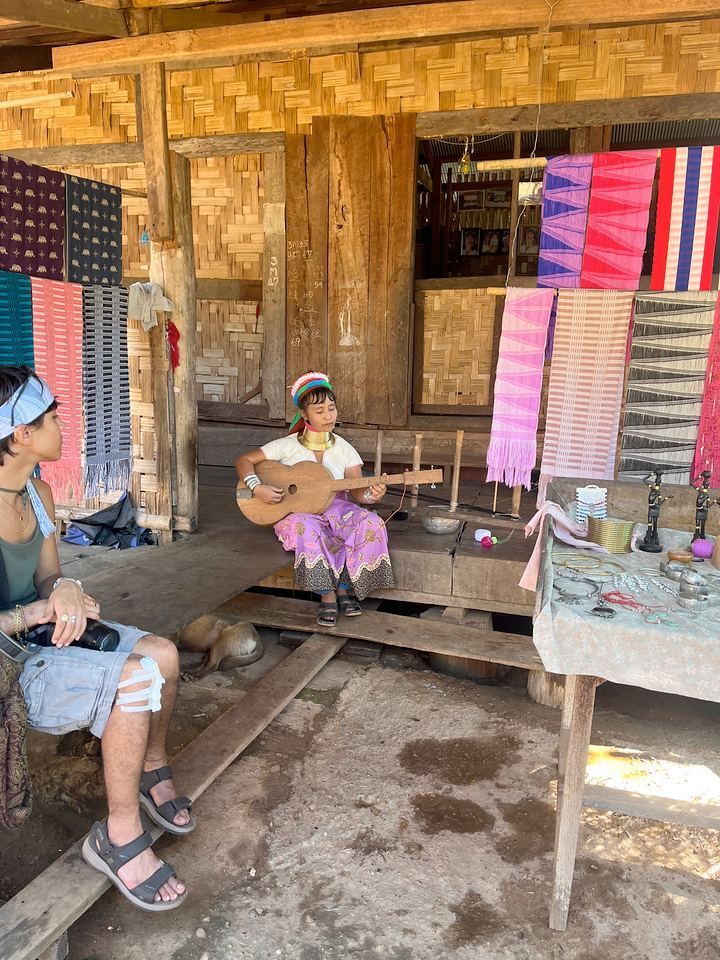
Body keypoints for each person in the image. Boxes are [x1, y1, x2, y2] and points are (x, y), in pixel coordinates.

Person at [0, 366, 191, 911]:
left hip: (38, 631)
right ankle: (119, 835)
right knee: (133, 679)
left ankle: (152, 763)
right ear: (21, 435)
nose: (66, 426)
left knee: (163, 654)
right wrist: (36, 611)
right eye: (54, 418)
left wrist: (64, 588)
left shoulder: (36, 492)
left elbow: (48, 574)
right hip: (8, 655)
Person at [236, 371, 395, 626]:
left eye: (331, 408)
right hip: (295, 513)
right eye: (319, 410)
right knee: (305, 527)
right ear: (304, 414)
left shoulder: (344, 448)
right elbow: (244, 461)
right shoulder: (286, 446)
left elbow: (356, 491)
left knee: (370, 523)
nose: (328, 415)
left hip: (336, 508)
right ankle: (328, 596)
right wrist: (256, 488)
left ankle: (344, 588)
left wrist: (370, 494)